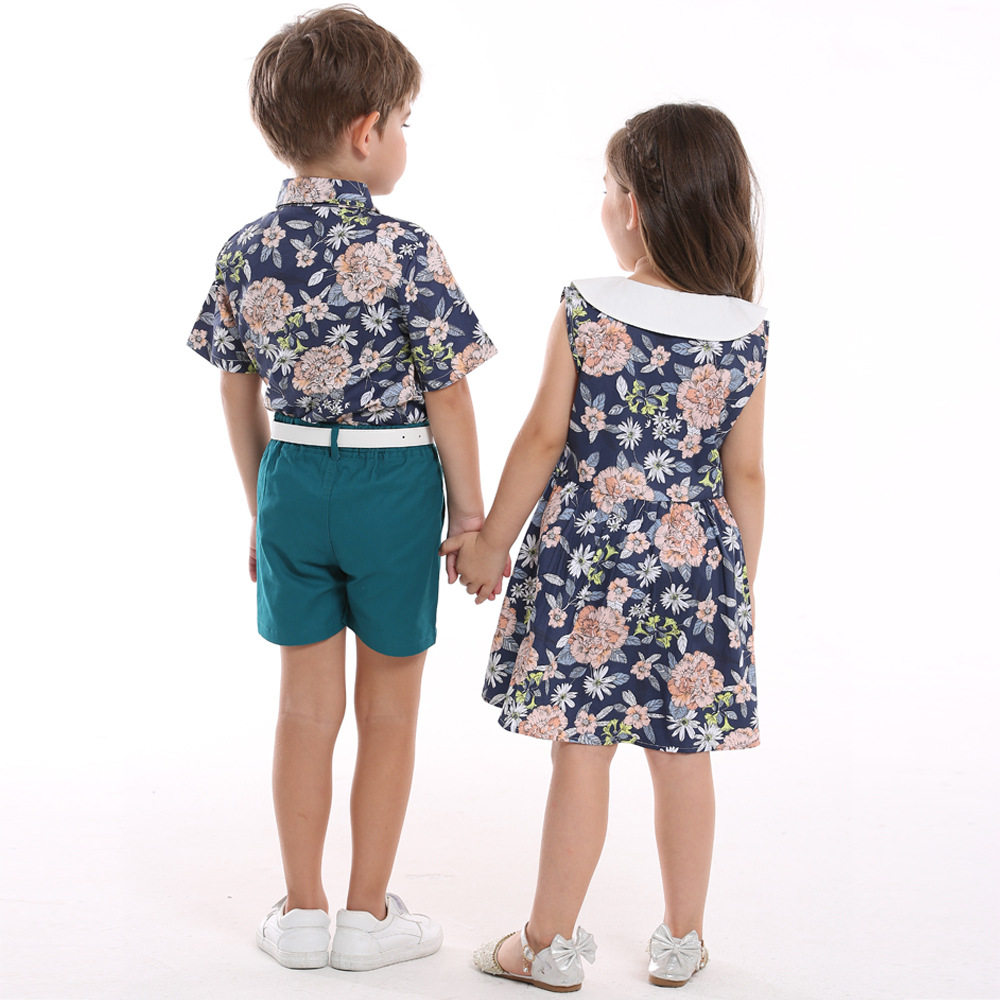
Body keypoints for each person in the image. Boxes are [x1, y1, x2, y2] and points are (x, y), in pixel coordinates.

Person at [187, 5, 497, 973]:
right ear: (367, 131)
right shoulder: (408, 248)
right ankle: (367, 917)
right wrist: (471, 514)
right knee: (389, 712)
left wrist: (262, 506)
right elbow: (448, 396)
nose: (403, 137)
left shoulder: (245, 248)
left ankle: (301, 911)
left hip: (290, 476)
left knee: (302, 711)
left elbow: (235, 390)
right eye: (403, 120)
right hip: (393, 482)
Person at [443, 103, 768, 991]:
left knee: (581, 750)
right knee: (683, 754)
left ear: (633, 206)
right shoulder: (744, 328)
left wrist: (489, 541)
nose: (603, 200)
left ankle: (546, 945)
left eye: (606, 185)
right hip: (696, 568)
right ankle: (682, 942)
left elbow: (543, 438)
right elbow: (746, 473)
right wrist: (737, 587)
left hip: (588, 564)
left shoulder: (588, 305)